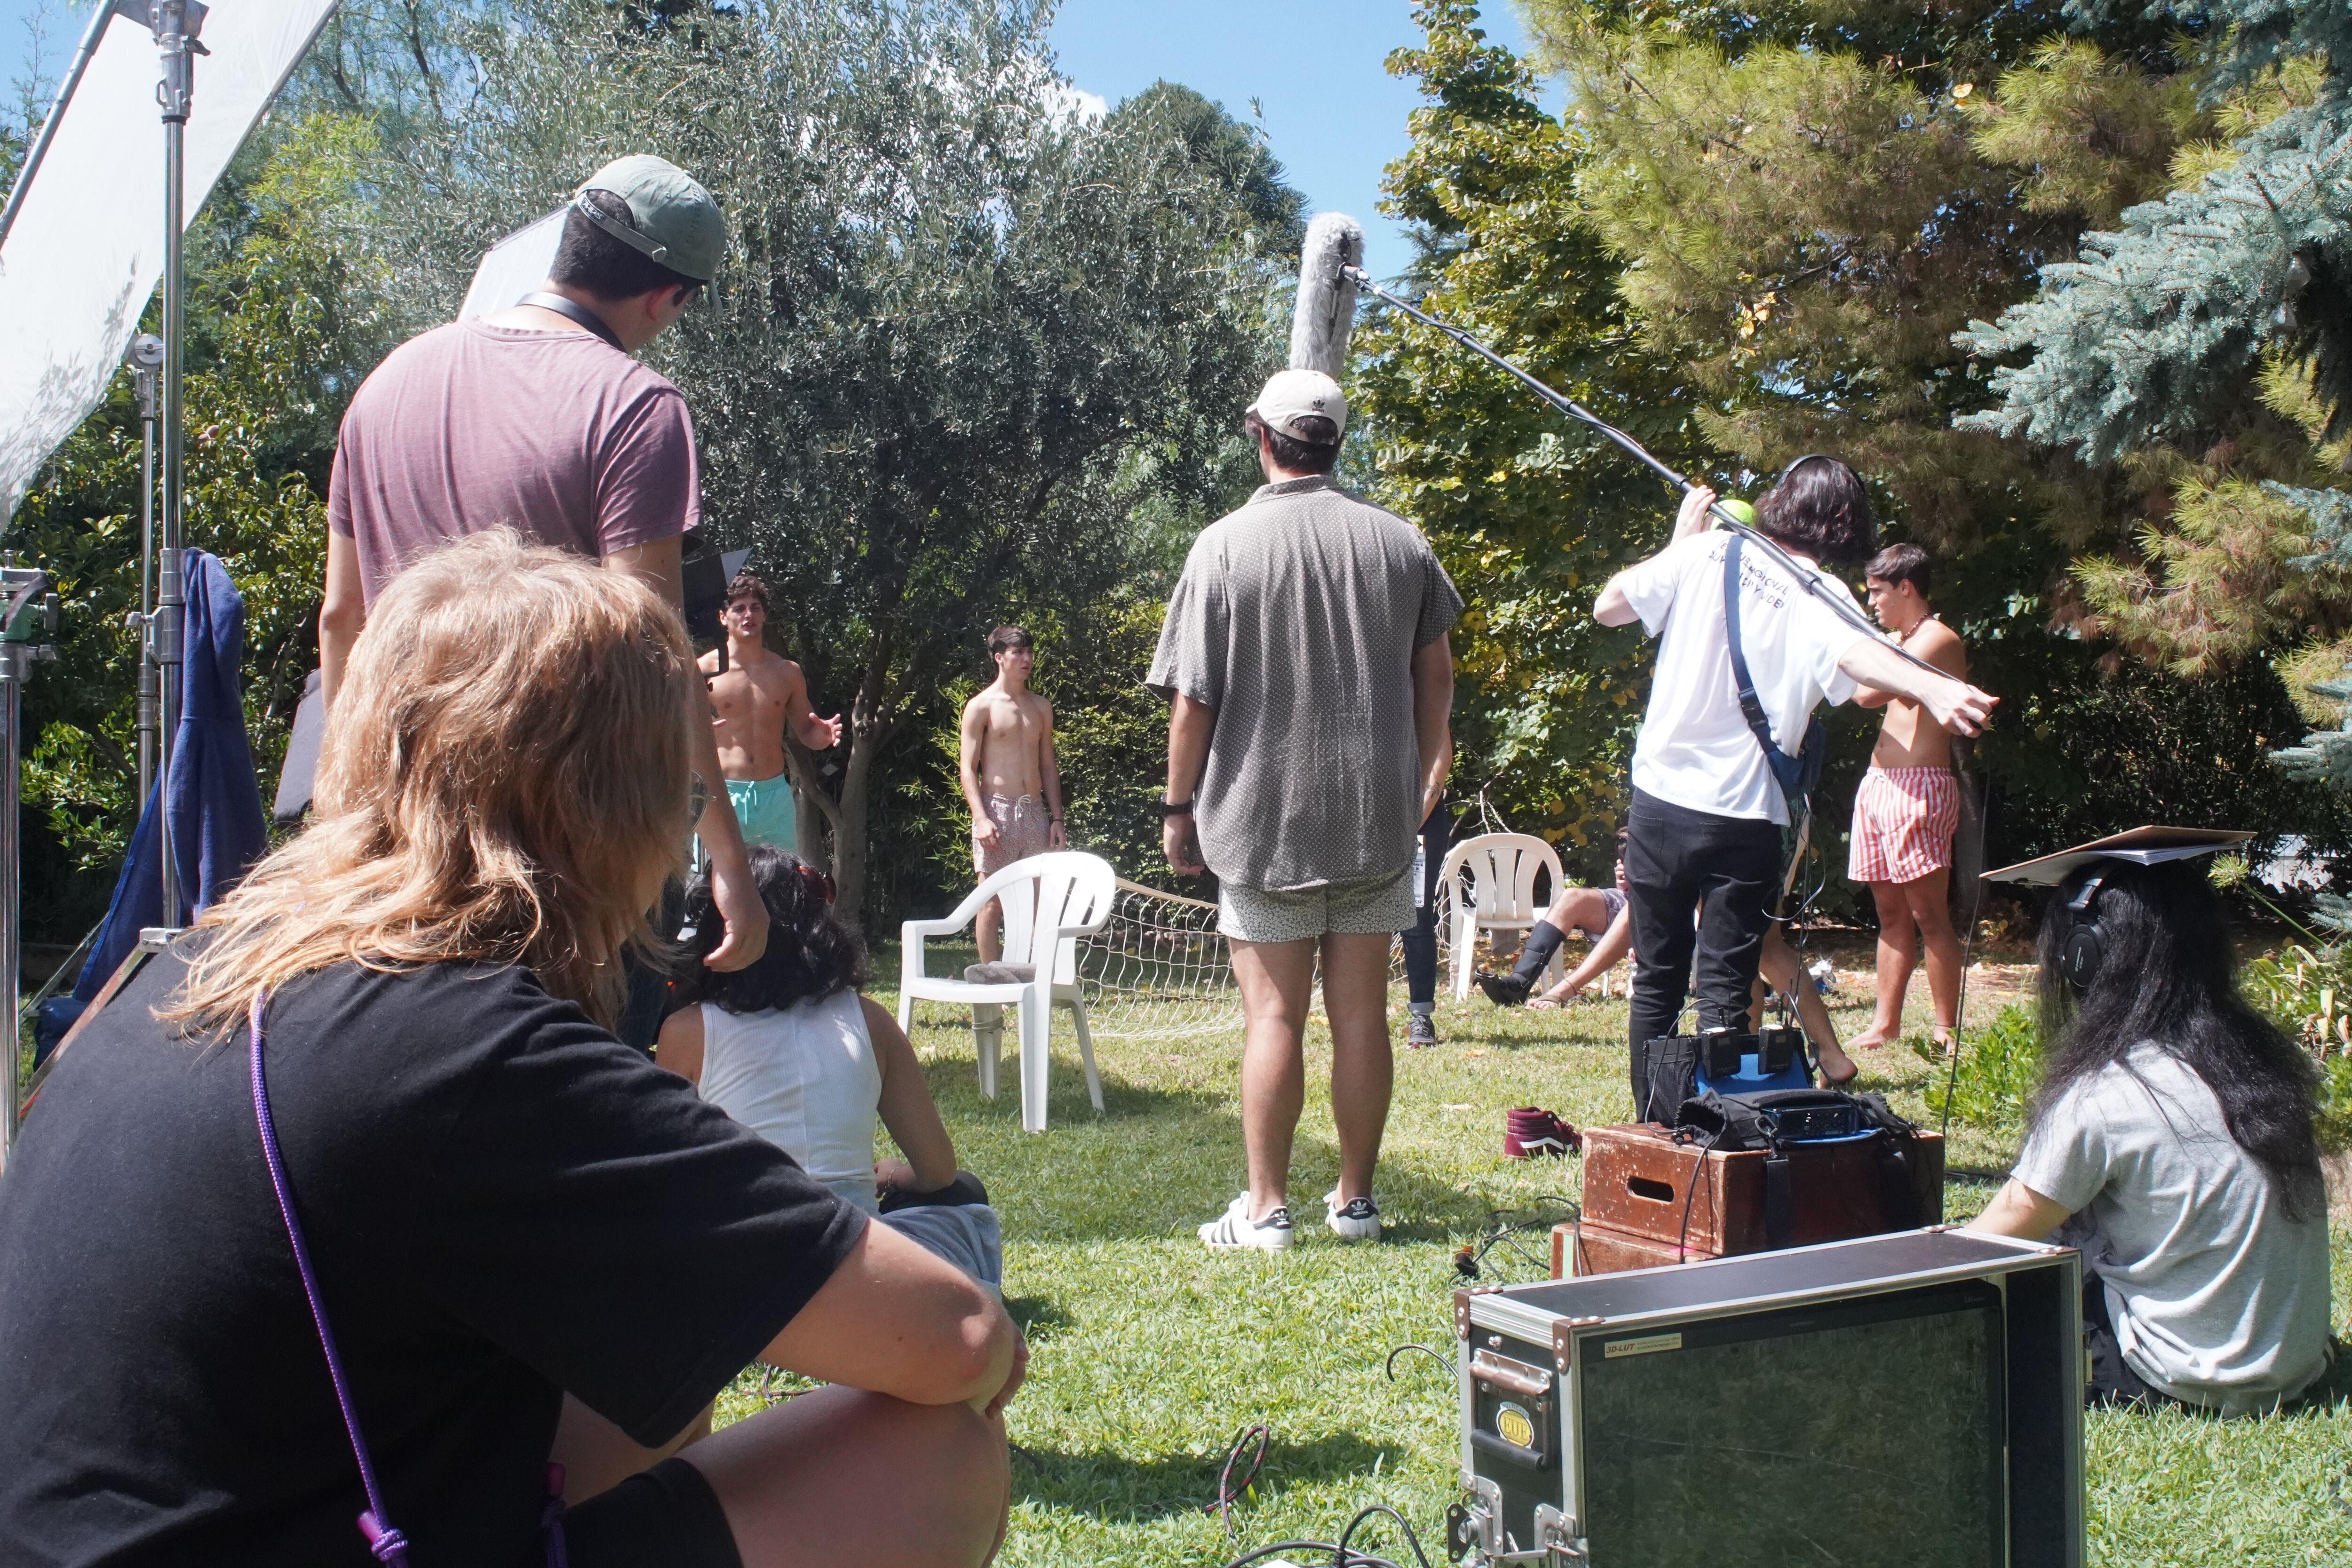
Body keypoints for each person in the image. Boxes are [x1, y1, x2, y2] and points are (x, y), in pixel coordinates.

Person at [0, 534, 1022, 1567]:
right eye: (676, 796)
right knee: (935, 1454)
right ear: (612, 814)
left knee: (654, 1391)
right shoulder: (459, 1049)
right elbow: (965, 1339)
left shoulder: (172, 984)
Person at [317, 153, 769, 996]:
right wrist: (727, 859)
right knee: (570, 1113)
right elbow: (655, 656)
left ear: (572, 242)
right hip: (564, 863)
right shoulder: (633, 405)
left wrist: (343, 815)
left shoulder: (386, 383)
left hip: (394, 835)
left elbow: (342, 618)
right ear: (669, 297)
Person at [1151, 368, 1460, 1251]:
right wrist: (1430, 762)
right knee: (1362, 1016)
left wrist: (1179, 810)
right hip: (1376, 818)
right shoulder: (1401, 542)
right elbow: (1435, 671)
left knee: (1274, 1017)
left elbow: (1194, 701)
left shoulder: (1223, 546)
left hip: (1261, 822)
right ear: (1335, 440)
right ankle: (1356, 1202)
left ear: (1262, 435)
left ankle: (1266, 1210)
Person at [1592, 460, 1996, 1114]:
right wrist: (1931, 685)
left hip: (1661, 805)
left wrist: (1677, 543)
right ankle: (1714, 1137)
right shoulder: (1823, 594)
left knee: (1657, 981)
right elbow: (1858, 660)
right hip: (1747, 817)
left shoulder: (1705, 551)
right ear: (1844, 526)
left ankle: (1657, 1126)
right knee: (1725, 987)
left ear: (1779, 503)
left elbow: (1607, 606)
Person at [1967, 850, 2332, 1415]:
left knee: (2039, 1268)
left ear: (2082, 958)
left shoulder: (2105, 1094)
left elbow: (1990, 1245)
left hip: (2170, 1378)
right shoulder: (2266, 1069)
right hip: (2296, 1370)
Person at [660, 844, 1003, 1292]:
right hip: (859, 1263)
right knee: (966, 1191)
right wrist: (894, 1173)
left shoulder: (686, 1031)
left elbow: (669, 1181)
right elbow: (939, 1172)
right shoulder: (870, 1021)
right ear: (820, 928)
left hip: (742, 1265)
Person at [1845, 542, 1969, 1049]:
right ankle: (1884, 1025)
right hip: (1877, 788)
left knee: (1928, 915)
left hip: (1919, 789)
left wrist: (1868, 649)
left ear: (1905, 587)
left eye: (1877, 592)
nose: (1871, 602)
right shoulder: (1900, 641)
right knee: (1891, 915)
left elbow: (1866, 693)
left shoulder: (1936, 640)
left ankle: (1945, 1028)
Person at [700, 572, 843, 852]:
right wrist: (696, 733)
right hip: (722, 793)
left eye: (755, 607)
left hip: (774, 796)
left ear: (764, 616)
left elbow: (807, 732)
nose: (748, 615)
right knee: (712, 888)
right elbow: (675, 731)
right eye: (739, 608)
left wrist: (824, 735)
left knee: (780, 887)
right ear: (722, 617)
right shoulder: (703, 671)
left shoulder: (787, 672)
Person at [958, 626, 1065, 963]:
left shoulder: (1041, 707)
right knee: (991, 901)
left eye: (1030, 652)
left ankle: (1033, 977)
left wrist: (1057, 818)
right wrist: (981, 818)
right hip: (997, 810)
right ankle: (991, 980)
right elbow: (966, 768)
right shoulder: (980, 706)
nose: (1027, 659)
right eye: (1019, 652)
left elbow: (1048, 765)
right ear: (999, 657)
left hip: (1033, 810)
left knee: (1037, 900)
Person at [1478, 832, 1632, 1008]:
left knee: (1634, 909)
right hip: (1632, 897)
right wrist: (1628, 880)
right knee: (1572, 897)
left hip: (1661, 909)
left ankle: (1566, 989)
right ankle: (1519, 982)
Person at [1397, 796, 1454, 1047]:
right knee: (1356, 918)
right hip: (1363, 819)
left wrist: (1412, 820)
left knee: (1417, 919)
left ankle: (1421, 1017)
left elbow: (1439, 761)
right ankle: (1356, 1018)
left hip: (1422, 822)